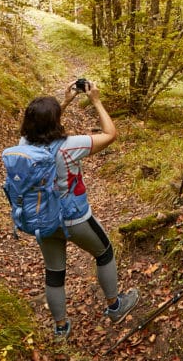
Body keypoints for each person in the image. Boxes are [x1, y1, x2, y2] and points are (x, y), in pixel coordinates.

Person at [17, 79, 139, 340]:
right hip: (75, 218)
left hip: (43, 219)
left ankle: (61, 327)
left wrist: (66, 101)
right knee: (104, 252)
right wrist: (95, 100)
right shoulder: (71, 146)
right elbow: (110, 134)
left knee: (54, 272)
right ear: (55, 122)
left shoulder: (24, 146)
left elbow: (40, 128)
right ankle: (115, 307)